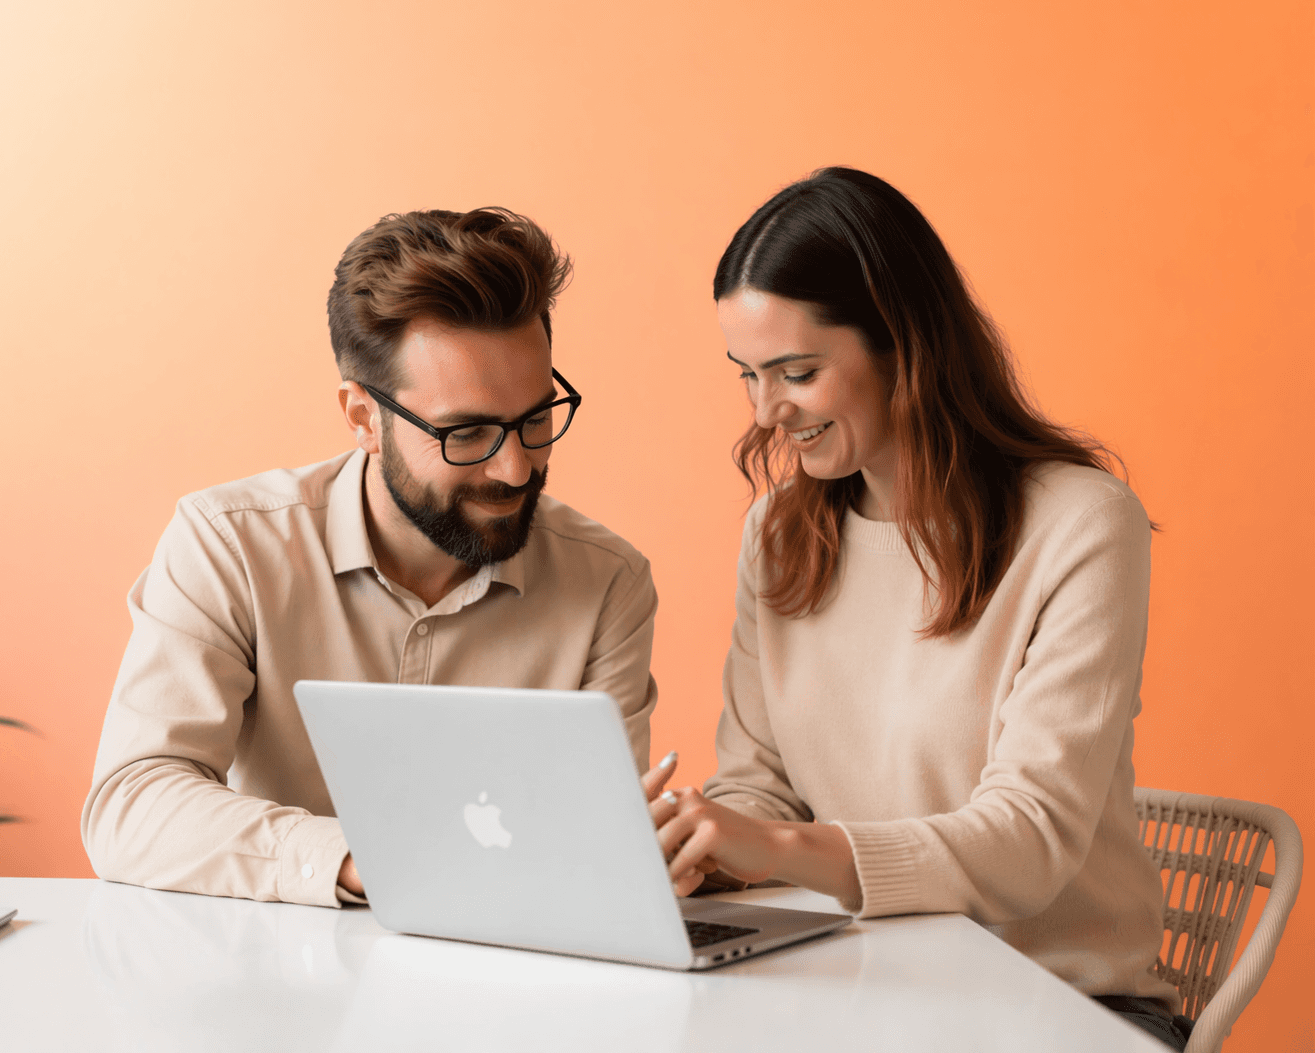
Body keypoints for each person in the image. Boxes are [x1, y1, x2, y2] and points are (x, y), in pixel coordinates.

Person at [644, 168, 1191, 1050]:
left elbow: (1029, 841)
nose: (768, 411)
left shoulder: (1082, 524)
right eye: (748, 375)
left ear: (904, 346)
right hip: (860, 990)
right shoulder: (778, 534)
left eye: (797, 373)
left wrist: (777, 850)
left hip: (1062, 1004)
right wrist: (700, 851)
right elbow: (761, 784)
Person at [83, 207, 658, 908]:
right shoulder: (230, 546)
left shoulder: (609, 583)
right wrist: (362, 861)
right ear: (363, 417)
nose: (514, 468)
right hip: (271, 968)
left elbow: (597, 842)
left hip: (510, 966)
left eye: (535, 419)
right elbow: (132, 803)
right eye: (465, 433)